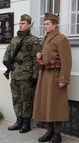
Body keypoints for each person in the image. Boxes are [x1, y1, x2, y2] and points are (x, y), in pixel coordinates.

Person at [33, 13, 72, 143]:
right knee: (46, 104)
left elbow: (67, 61)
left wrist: (63, 79)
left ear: (55, 25)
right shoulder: (46, 38)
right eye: (44, 24)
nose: (45, 26)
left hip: (55, 76)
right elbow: (46, 56)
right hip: (44, 76)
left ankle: (57, 134)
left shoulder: (61, 39)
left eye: (48, 24)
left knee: (56, 105)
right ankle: (49, 131)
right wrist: (39, 57)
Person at [3, 14, 39, 133]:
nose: (20, 25)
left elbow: (36, 59)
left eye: (23, 23)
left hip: (26, 75)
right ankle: (18, 121)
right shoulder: (15, 39)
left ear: (29, 25)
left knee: (26, 100)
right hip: (15, 74)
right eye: (20, 23)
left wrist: (35, 76)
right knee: (16, 98)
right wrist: (8, 64)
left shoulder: (33, 40)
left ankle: (26, 123)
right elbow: (7, 53)